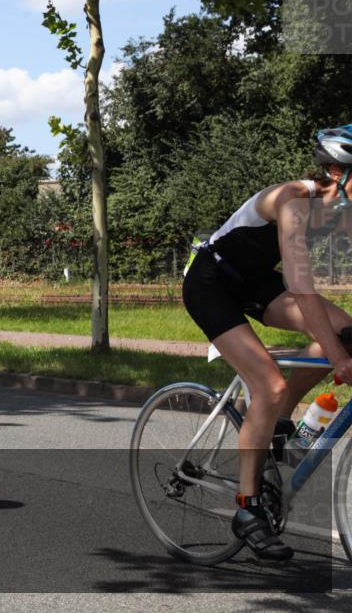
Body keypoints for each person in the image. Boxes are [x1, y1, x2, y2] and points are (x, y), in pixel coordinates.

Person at [182, 124, 352, 561]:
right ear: (336, 171)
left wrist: (339, 347)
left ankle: (275, 421)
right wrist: (335, 356)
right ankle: (246, 508)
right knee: (270, 384)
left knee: (347, 332)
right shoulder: (292, 201)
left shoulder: (342, 208)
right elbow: (302, 286)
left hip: (256, 283)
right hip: (211, 282)